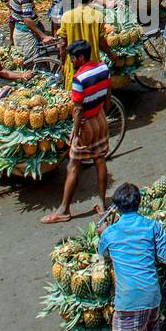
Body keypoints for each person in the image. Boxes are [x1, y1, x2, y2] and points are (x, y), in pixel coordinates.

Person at [96, 183, 166, 331]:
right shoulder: (153, 226)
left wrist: (101, 233)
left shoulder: (110, 232)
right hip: (152, 297)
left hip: (128, 301)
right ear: (139, 203)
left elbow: (100, 254)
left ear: (117, 208)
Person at [40, 41, 110, 224]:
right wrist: (103, 112)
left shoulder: (79, 79)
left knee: (73, 164)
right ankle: (102, 204)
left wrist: (75, 132)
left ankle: (64, 209)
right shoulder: (103, 68)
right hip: (100, 119)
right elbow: (108, 95)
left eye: (72, 58)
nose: (71, 61)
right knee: (100, 160)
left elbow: (78, 110)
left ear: (81, 57)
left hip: (86, 124)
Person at [5, 0, 55, 65]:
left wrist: (11, 36)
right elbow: (27, 19)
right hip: (27, 35)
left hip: (18, 31)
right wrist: (43, 36)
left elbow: (12, 16)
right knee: (39, 65)